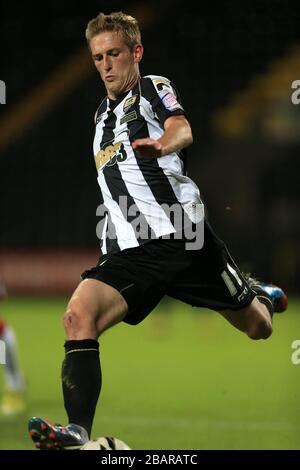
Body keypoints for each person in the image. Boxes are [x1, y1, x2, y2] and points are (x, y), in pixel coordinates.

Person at [28, 11, 288, 450]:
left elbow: (180, 126)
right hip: (130, 252)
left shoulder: (151, 87)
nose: (106, 65)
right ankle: (78, 432)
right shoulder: (99, 118)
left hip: (184, 239)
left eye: (114, 54)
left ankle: (254, 292)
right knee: (77, 316)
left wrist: (166, 143)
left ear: (136, 52)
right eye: (97, 58)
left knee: (258, 326)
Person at [0, 282, 26, 415]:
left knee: (10, 369)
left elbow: (3, 294)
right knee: (10, 369)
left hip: (2, 337)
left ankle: (15, 398)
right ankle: (19, 386)